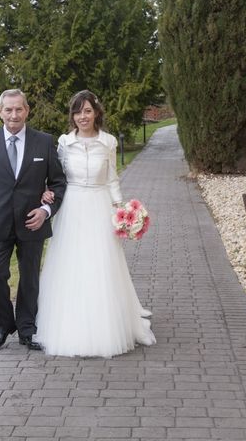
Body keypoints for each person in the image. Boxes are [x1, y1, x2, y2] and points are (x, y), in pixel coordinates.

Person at [35, 90, 156, 357]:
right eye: (77, 112)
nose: (82, 117)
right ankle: (71, 324)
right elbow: (57, 177)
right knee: (73, 262)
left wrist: (122, 209)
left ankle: (107, 323)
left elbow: (112, 178)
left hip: (100, 206)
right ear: (73, 116)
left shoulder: (108, 142)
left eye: (87, 111)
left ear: (96, 113)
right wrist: (47, 191)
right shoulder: (65, 142)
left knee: (102, 262)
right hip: (73, 207)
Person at [0, 89, 67, 352]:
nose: (14, 114)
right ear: (0, 112)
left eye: (18, 109)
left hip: (32, 223)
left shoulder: (44, 142)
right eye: (8, 109)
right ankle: (1, 326)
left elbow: (58, 182)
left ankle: (27, 329)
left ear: (27, 110)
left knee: (30, 278)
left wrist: (46, 210)